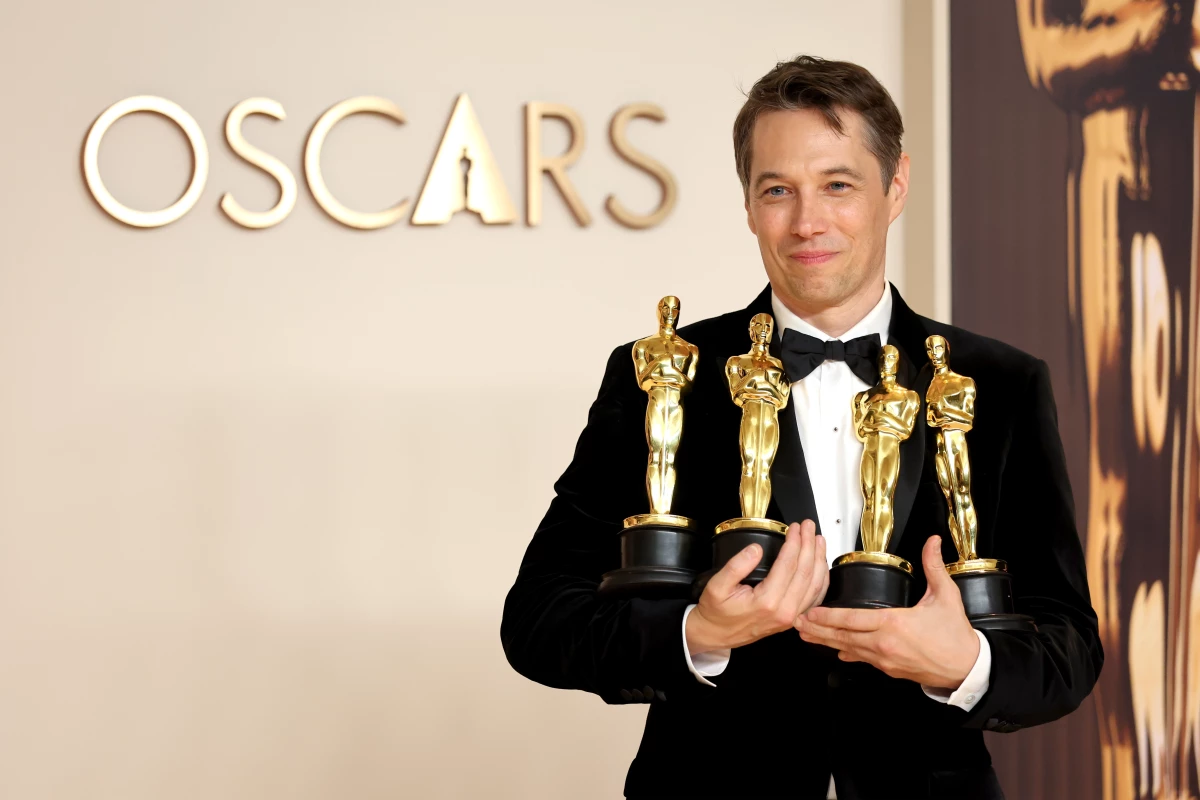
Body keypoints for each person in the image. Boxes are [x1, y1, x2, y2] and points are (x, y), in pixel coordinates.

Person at [500, 54, 1102, 800]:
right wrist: (697, 633)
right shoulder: (659, 371)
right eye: (777, 190)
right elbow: (537, 621)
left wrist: (965, 664)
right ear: (748, 205)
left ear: (897, 185)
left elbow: (1069, 648)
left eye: (838, 185)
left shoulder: (1002, 385)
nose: (806, 222)